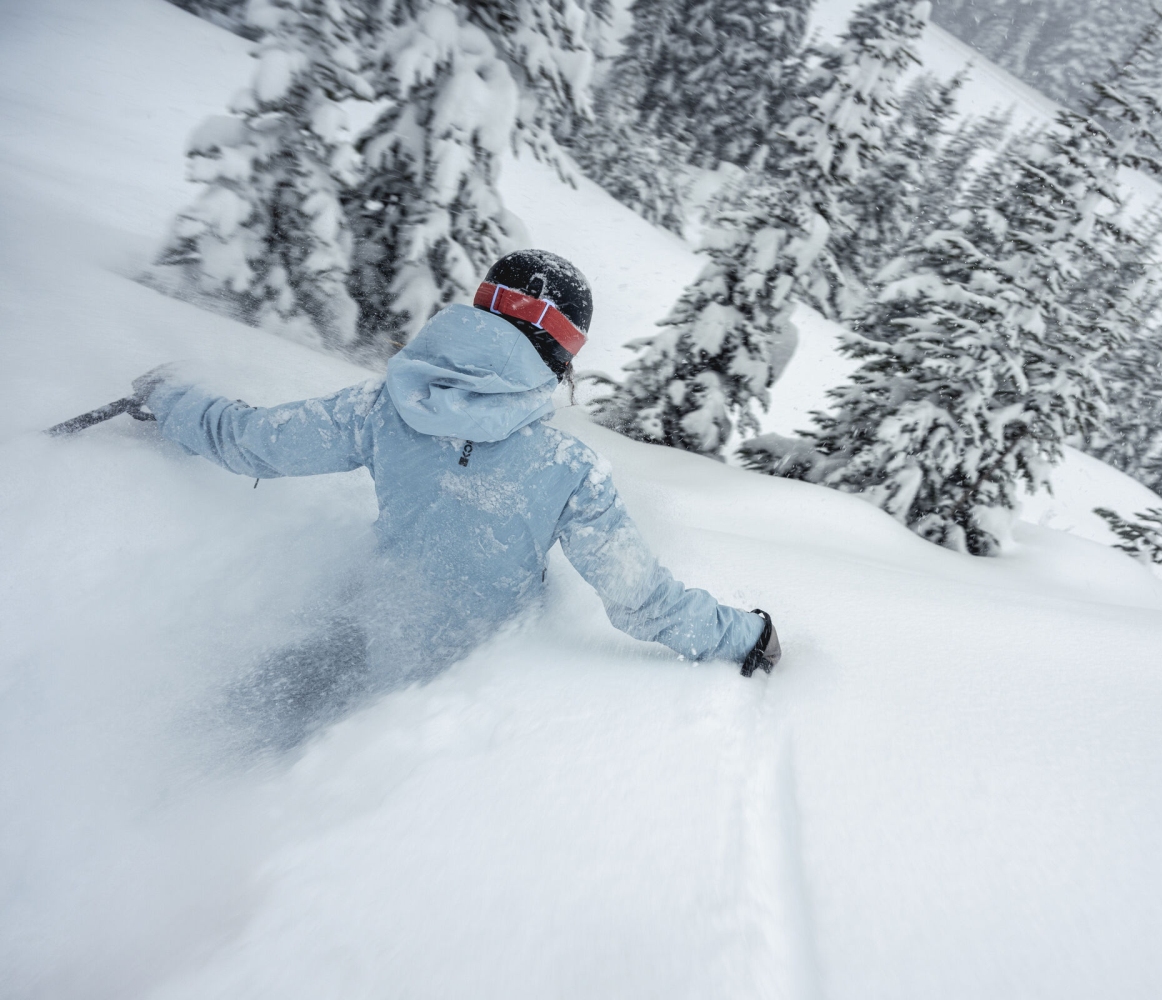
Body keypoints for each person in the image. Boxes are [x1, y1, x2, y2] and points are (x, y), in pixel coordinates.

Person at [134, 250, 780, 745]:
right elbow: (642, 602)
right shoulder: (567, 467)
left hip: (362, 632)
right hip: (461, 685)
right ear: (558, 352)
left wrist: (168, 399)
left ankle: (163, 776)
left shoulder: (380, 408)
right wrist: (746, 637)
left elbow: (255, 443)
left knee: (255, 729)